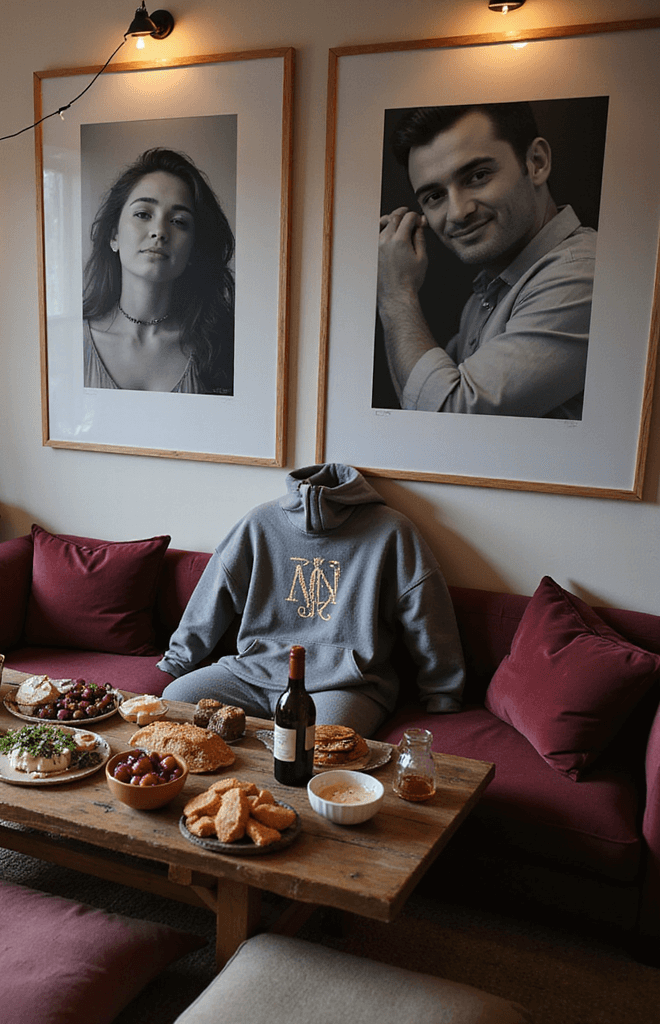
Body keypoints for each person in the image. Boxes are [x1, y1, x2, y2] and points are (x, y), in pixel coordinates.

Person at [158, 464, 464, 737]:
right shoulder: (260, 522)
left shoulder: (392, 532)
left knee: (320, 744)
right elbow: (216, 590)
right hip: (254, 672)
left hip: (344, 684)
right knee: (175, 702)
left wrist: (443, 693)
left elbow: (426, 611)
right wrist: (178, 659)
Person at [377, 102, 595, 418]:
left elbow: (447, 419)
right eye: (435, 196)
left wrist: (396, 296)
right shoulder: (490, 291)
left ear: (536, 162)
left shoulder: (581, 274)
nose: (457, 212)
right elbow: (420, 398)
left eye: (477, 176)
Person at [82, 147, 235, 395]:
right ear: (114, 235)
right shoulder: (70, 343)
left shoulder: (221, 348)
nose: (160, 231)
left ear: (194, 247)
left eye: (178, 221)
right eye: (143, 214)